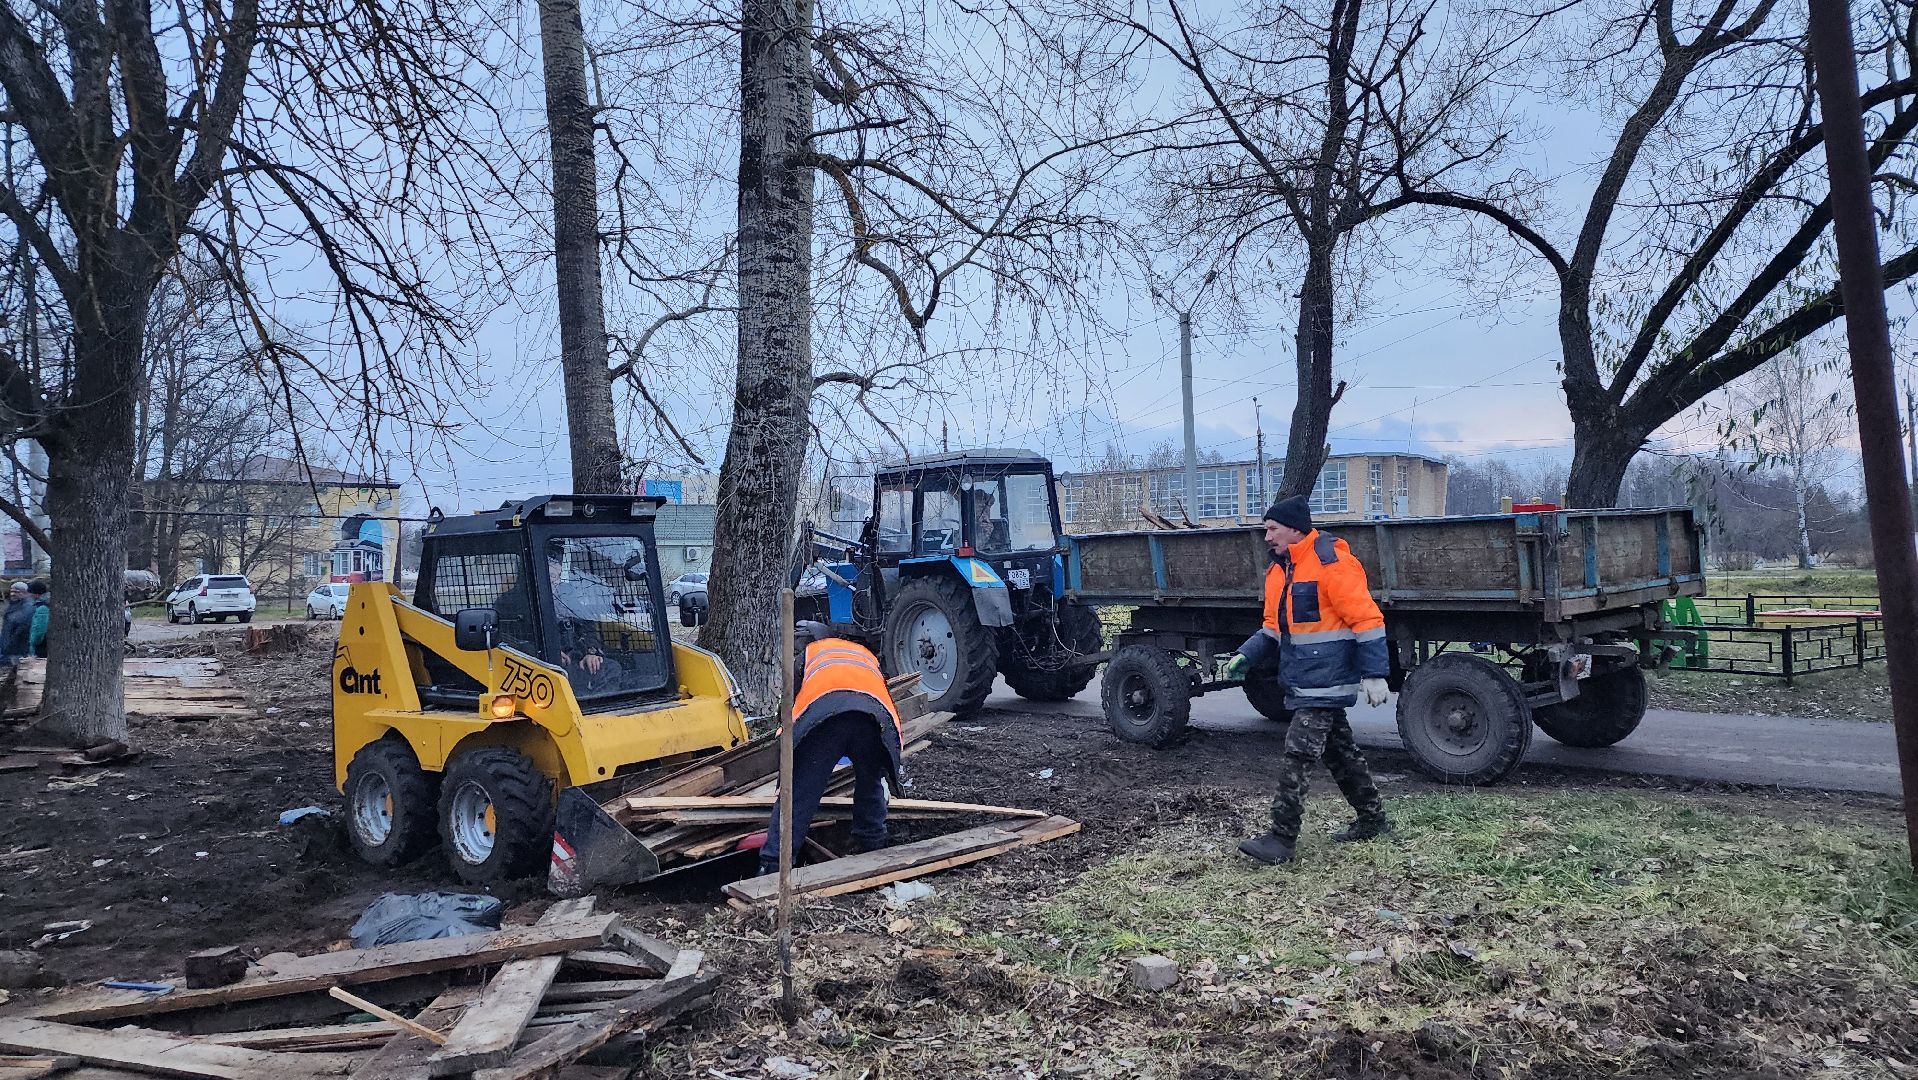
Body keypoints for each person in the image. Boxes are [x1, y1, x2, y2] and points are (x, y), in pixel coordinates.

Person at [1226, 495, 1392, 865]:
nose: (1266, 537)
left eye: (1272, 529)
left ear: (1296, 528)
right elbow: (1272, 627)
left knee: (1298, 754)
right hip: (1305, 679)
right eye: (1265, 529)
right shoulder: (1278, 572)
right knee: (1341, 753)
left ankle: (1281, 839)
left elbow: (1367, 620)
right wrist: (1246, 654)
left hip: (1327, 681)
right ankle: (1373, 819)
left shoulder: (1333, 563)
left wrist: (1375, 674)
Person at [758, 623, 906, 877]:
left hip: (825, 719)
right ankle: (873, 846)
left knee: (801, 793)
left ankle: (774, 864)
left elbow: (792, 708)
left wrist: (786, 745)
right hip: (873, 720)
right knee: (871, 782)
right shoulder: (862, 653)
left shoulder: (809, 655)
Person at [1, 581, 31, 661]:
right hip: (8, 647)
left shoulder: (27, 606)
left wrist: (11, 642)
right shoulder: (13, 605)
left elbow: (22, 625)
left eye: (17, 592)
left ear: (25, 592)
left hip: (17, 649)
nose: (13, 594)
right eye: (12, 591)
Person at [27, 579, 50, 659]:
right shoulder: (47, 604)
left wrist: (33, 642)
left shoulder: (42, 608)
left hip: (41, 647)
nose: (29, 595)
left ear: (36, 594)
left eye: (30, 593)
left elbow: (39, 629)